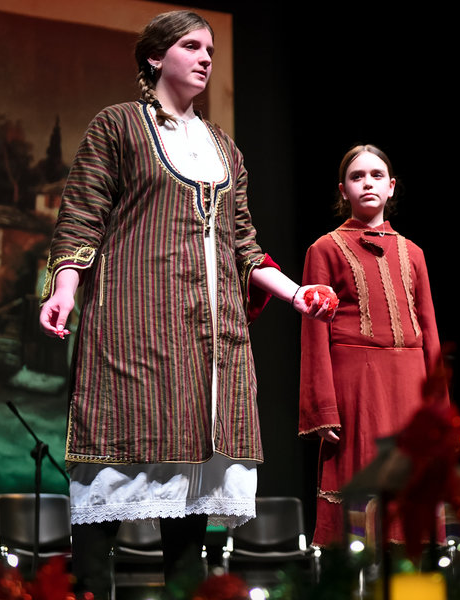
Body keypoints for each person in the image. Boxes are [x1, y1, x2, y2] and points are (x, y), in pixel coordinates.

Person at [38, 11, 334, 599]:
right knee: (112, 470)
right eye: (191, 46)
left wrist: (296, 292)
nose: (205, 58)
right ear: (155, 57)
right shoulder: (118, 126)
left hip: (208, 340)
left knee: (191, 497)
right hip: (133, 324)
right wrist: (65, 287)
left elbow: (244, 244)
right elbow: (82, 214)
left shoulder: (224, 148)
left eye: (211, 50)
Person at [299, 144, 450, 548]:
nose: (367, 183)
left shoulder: (413, 252)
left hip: (410, 384)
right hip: (357, 386)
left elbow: (430, 331)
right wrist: (322, 407)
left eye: (376, 175)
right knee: (362, 488)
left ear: (392, 186)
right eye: (357, 176)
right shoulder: (324, 249)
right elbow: (314, 333)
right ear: (343, 190)